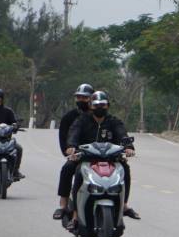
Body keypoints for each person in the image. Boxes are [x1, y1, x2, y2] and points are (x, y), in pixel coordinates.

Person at [64, 90, 139, 225]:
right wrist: (71, 146)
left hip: (111, 159)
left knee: (125, 169)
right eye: (96, 105)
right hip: (86, 159)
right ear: (91, 106)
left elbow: (123, 135)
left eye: (103, 105)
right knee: (72, 169)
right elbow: (73, 134)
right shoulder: (82, 120)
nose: (99, 107)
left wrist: (128, 147)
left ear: (108, 106)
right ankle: (73, 213)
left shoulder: (114, 121)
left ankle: (124, 205)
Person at [54, 84, 94, 221]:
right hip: (78, 156)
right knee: (67, 168)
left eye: (85, 97)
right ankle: (63, 204)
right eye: (79, 97)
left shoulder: (100, 117)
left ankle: (121, 206)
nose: (81, 100)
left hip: (100, 157)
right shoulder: (69, 118)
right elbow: (64, 140)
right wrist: (69, 150)